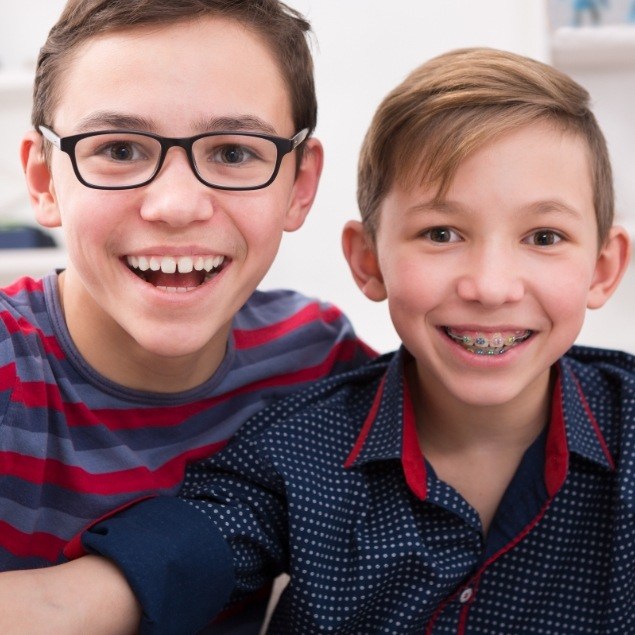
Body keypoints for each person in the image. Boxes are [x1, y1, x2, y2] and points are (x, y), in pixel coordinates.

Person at [10, 46, 635, 633]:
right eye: (441, 234)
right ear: (367, 262)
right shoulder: (294, 447)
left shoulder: (626, 425)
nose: (492, 287)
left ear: (604, 268)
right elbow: (126, 579)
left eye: (544, 238)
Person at [0, 0, 375, 632]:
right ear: (44, 180)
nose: (176, 205)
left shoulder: (315, 357)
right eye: (118, 148)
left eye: (233, 153)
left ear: (300, 184)